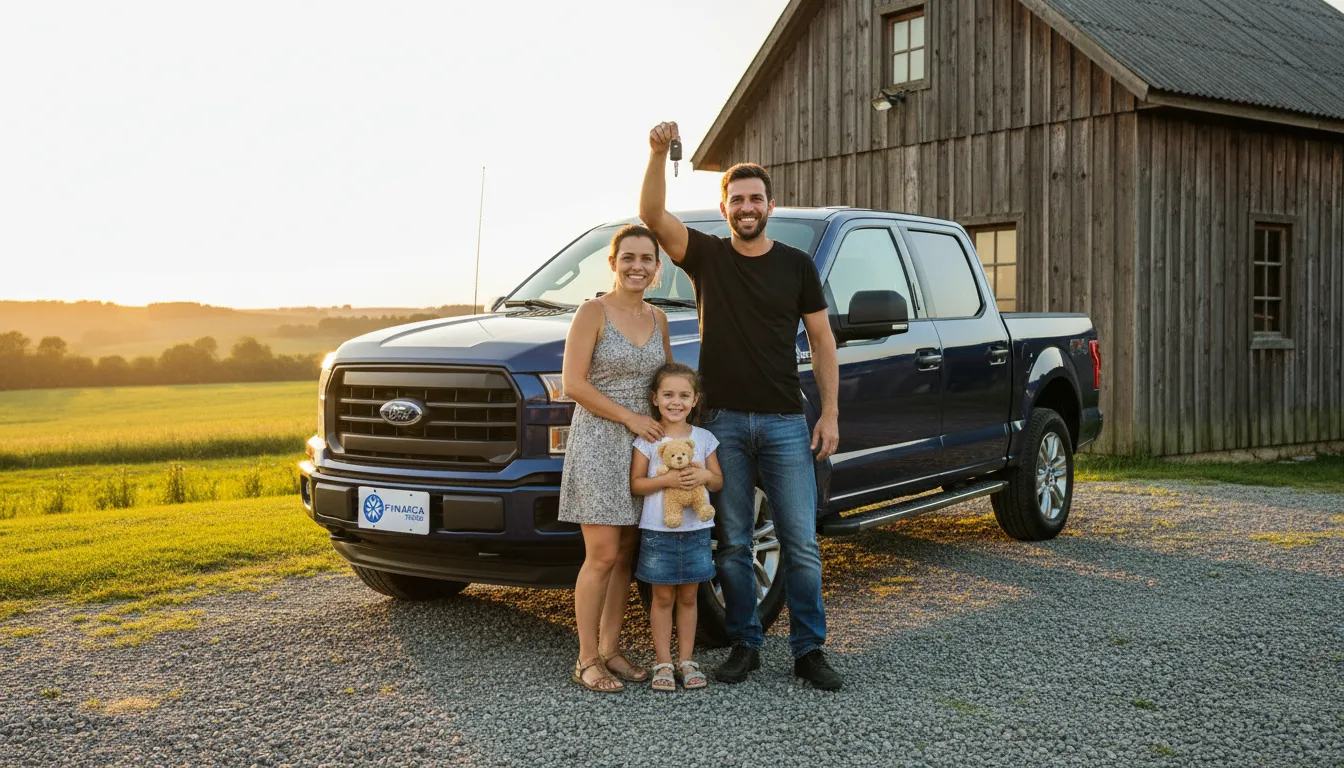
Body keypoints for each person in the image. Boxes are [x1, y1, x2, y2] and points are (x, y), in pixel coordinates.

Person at [638, 121, 843, 690]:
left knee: (800, 542)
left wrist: (828, 415)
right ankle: (745, 645)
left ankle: (809, 650)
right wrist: (658, 155)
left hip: (783, 421)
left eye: (755, 199)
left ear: (769, 205)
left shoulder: (798, 266)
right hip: (721, 425)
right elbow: (654, 217)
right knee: (732, 543)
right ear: (723, 207)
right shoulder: (706, 257)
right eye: (737, 199)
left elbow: (822, 341)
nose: (746, 207)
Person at [558, 224, 671, 693]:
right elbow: (574, 384)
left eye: (646, 258)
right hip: (601, 441)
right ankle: (586, 660)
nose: (637, 266)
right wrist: (629, 419)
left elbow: (662, 384)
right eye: (628, 258)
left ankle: (611, 649)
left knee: (626, 552)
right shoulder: (592, 312)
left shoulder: (658, 319)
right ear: (613, 262)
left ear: (657, 268)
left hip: (643, 446)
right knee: (601, 555)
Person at [630, 362, 723, 692]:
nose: (675, 402)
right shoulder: (649, 440)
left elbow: (718, 480)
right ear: (655, 399)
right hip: (658, 532)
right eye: (668, 394)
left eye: (684, 395)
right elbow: (637, 485)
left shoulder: (704, 438)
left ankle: (687, 660)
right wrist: (666, 479)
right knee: (662, 597)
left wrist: (704, 476)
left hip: (696, 530)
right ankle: (663, 663)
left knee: (689, 596)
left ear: (695, 400)